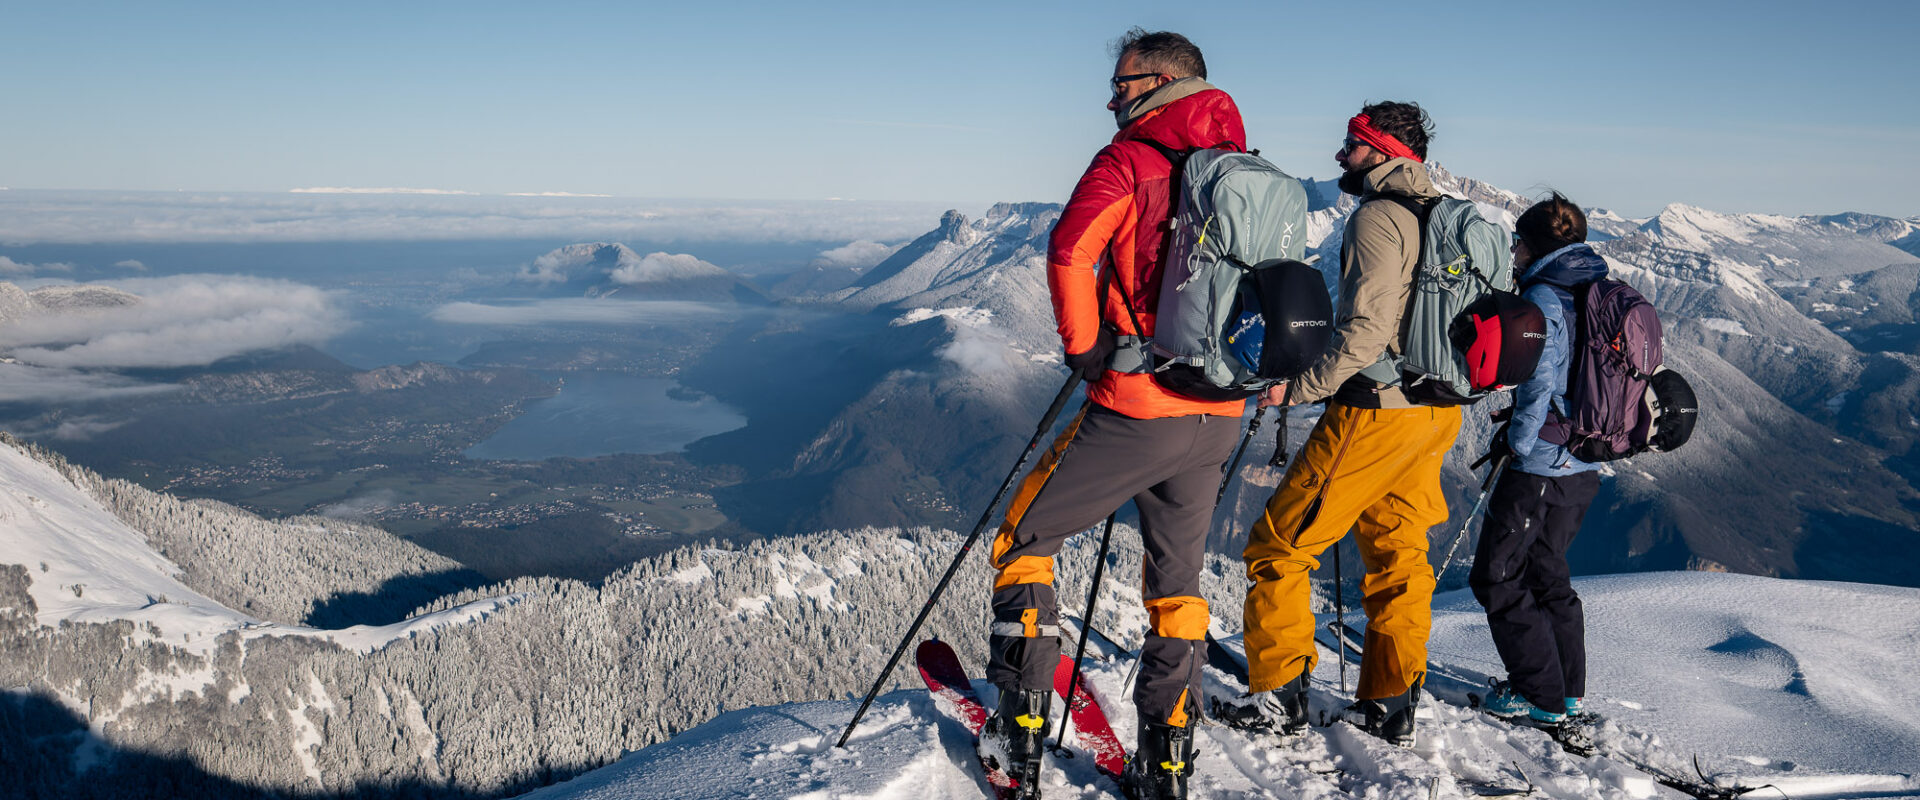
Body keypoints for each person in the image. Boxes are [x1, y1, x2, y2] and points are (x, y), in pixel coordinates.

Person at [981, 28, 1248, 800]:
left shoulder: (1131, 159)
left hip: (1136, 407)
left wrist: (1086, 350)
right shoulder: (1245, 169)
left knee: (1024, 541)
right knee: (1179, 584)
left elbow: (1069, 251)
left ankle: (1020, 738)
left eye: (1123, 84)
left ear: (1162, 82)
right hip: (1218, 413)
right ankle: (1165, 763)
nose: (1112, 99)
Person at [1214, 102, 1457, 747]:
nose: (1341, 156)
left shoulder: (1379, 217)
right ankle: (1391, 701)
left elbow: (1367, 331)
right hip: (1437, 413)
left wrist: (1299, 388)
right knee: (1400, 554)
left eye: (1351, 145)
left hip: (1374, 413)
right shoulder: (1446, 216)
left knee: (1280, 546)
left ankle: (1277, 698)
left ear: (1383, 152)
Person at [1471, 193, 1608, 727]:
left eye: (1520, 242)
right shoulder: (1594, 291)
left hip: (1543, 465)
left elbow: (1539, 385)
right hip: (1585, 465)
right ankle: (1567, 693)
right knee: (1549, 572)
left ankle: (1541, 696)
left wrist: (1517, 446)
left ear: (1537, 246)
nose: (1514, 251)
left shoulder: (1547, 301)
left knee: (1497, 576)